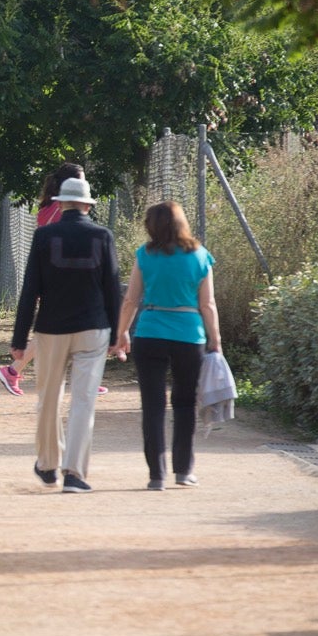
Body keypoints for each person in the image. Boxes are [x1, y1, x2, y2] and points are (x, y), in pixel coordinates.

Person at [10, 176, 122, 493]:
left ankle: (48, 465)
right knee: (84, 401)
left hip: (52, 329)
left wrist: (20, 340)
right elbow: (112, 289)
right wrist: (117, 333)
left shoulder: (45, 236)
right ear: (87, 205)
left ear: (59, 204)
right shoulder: (103, 236)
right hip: (93, 328)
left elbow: (30, 290)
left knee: (49, 399)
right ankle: (75, 474)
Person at [110, 201, 221, 490]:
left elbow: (131, 300)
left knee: (153, 406)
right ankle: (184, 471)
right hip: (189, 335)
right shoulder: (200, 255)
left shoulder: (145, 255)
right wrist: (215, 340)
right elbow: (207, 304)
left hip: (150, 332)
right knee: (185, 404)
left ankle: (156, 475)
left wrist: (121, 333)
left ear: (152, 226)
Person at [0, 162, 91, 397]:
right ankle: (14, 370)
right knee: (68, 329)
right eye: (81, 179)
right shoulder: (63, 209)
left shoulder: (50, 206)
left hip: (53, 278)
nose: (85, 184)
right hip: (61, 280)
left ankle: (13, 371)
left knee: (58, 331)